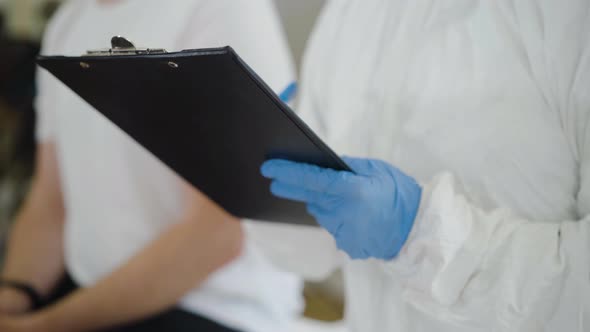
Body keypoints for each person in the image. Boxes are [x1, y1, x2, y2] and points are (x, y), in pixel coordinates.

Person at [259, 1, 590, 331]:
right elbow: (307, 255)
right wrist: (265, 164)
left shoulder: (569, 18)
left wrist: (421, 236)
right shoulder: (350, 11)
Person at [0, 0, 302, 331]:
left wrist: (44, 326)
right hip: (91, 295)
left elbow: (217, 235)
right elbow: (50, 204)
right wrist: (15, 294)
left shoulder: (220, 9)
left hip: (211, 308)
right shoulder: (69, 22)